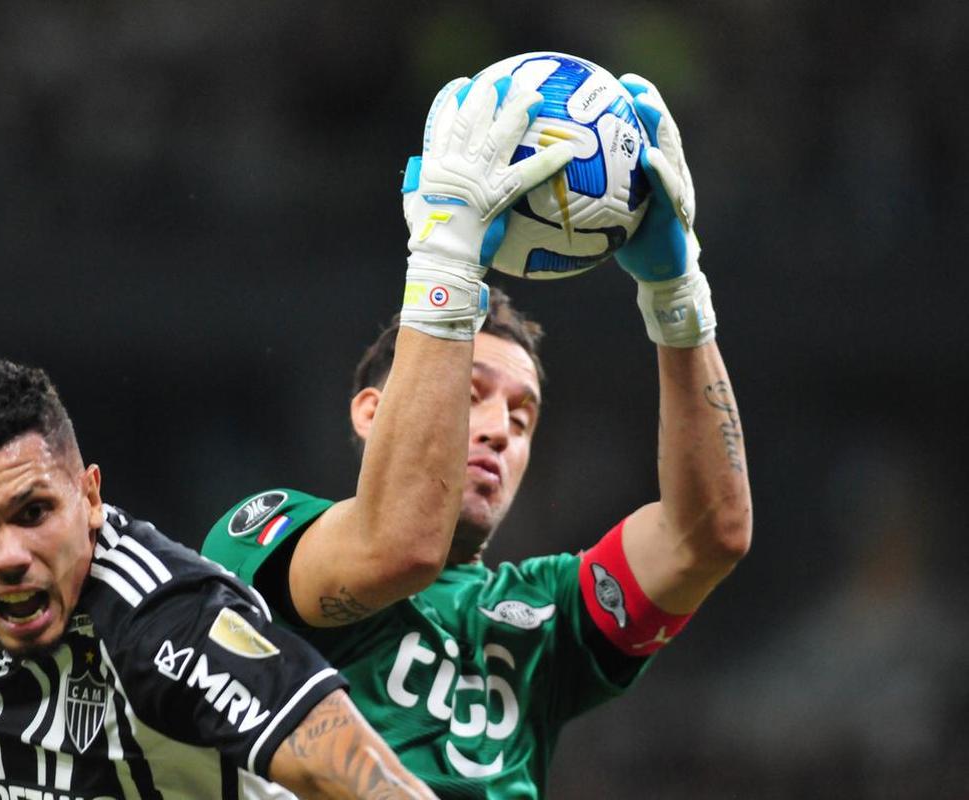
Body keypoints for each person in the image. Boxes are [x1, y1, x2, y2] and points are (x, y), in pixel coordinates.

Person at [202, 70, 753, 798]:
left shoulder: (543, 618)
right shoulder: (266, 533)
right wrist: (443, 264)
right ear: (371, 411)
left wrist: (678, 299)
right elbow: (398, 546)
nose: (498, 429)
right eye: (471, 397)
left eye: (521, 417)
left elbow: (707, 535)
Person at [0, 358, 444, 800]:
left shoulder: (165, 623)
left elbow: (359, 774)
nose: (7, 553)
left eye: (34, 513)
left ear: (90, 499)